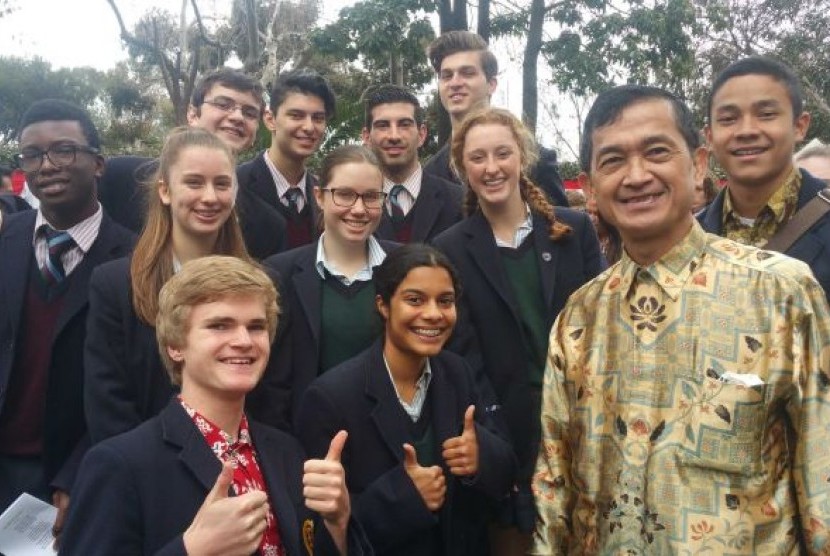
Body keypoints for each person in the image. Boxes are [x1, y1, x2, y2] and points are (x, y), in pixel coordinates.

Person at [533, 84, 830, 554]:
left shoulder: (781, 292)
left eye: (656, 151)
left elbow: (822, 474)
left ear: (696, 166)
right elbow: (554, 483)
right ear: (590, 189)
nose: (636, 175)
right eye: (612, 161)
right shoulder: (579, 317)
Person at [62, 256, 370, 555]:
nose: (243, 340)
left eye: (256, 327)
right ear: (175, 345)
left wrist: (337, 524)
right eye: (220, 325)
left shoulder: (286, 452)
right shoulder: (119, 464)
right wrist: (192, 550)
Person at [432, 107, 603, 554]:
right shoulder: (449, 249)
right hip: (508, 438)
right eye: (478, 158)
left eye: (502, 153)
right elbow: (463, 356)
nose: (491, 168)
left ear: (522, 156)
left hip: (585, 426)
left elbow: (602, 329)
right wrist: (497, 443)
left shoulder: (573, 230)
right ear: (462, 167)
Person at [297, 243, 517, 555]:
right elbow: (317, 531)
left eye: (445, 301)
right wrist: (402, 498)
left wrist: (481, 457)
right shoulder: (331, 398)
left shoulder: (457, 373)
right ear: (383, 305)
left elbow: (507, 471)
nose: (433, 314)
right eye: (415, 300)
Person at [84, 126, 282, 444]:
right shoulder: (115, 284)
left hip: (237, 466)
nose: (209, 197)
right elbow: (108, 400)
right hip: (145, 472)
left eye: (222, 184)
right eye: (193, 182)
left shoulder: (263, 285)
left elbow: (272, 395)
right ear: (165, 190)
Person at [0, 100, 135, 540]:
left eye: (63, 150)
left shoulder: (134, 261)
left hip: (72, 474)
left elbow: (128, 385)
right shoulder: (9, 238)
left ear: (98, 163)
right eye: (33, 155)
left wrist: (82, 471)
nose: (47, 165)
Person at [264, 145, 399, 431]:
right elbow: (273, 382)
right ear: (319, 196)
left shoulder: (405, 267)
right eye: (345, 194)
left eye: (371, 197)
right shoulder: (280, 274)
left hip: (391, 438)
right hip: (310, 441)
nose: (359, 209)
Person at [98, 69, 287, 259]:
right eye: (223, 104)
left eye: (249, 113)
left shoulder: (269, 224)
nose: (238, 117)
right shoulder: (120, 178)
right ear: (193, 114)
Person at [698, 56, 830, 298]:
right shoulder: (690, 236)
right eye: (728, 119)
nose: (747, 130)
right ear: (709, 136)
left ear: (800, 126)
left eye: (766, 114)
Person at [424, 30, 569, 207]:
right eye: (446, 76)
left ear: (491, 84)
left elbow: (561, 229)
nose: (455, 83)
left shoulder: (537, 160)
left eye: (467, 73)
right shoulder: (431, 174)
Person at [238, 69, 336, 250]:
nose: (309, 127)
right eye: (296, 116)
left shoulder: (325, 195)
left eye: (318, 118)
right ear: (270, 119)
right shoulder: (236, 185)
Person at [362, 84, 463, 243]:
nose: (394, 136)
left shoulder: (459, 201)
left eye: (404, 124)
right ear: (367, 137)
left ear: (422, 134)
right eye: (383, 125)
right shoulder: (352, 206)